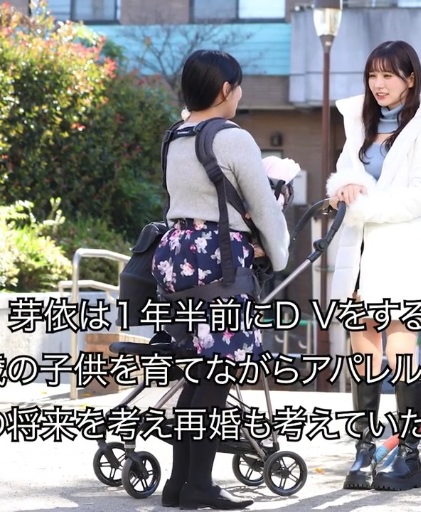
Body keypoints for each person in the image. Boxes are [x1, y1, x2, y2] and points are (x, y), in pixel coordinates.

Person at [152, 49, 290, 509]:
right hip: (219, 261)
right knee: (216, 373)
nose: (240, 94)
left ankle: (178, 485)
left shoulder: (175, 136)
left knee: (195, 372)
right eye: (238, 86)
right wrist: (278, 253)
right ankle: (199, 486)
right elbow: (263, 207)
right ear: (225, 89)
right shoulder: (232, 137)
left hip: (176, 254)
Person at [325, 40, 421, 492]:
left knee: (401, 346)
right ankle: (365, 450)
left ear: (410, 79)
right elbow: (343, 179)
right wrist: (342, 191)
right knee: (362, 346)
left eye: (388, 75)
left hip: (404, 250)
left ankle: (408, 457)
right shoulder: (359, 125)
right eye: (372, 75)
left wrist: (365, 207)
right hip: (359, 252)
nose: (378, 84)